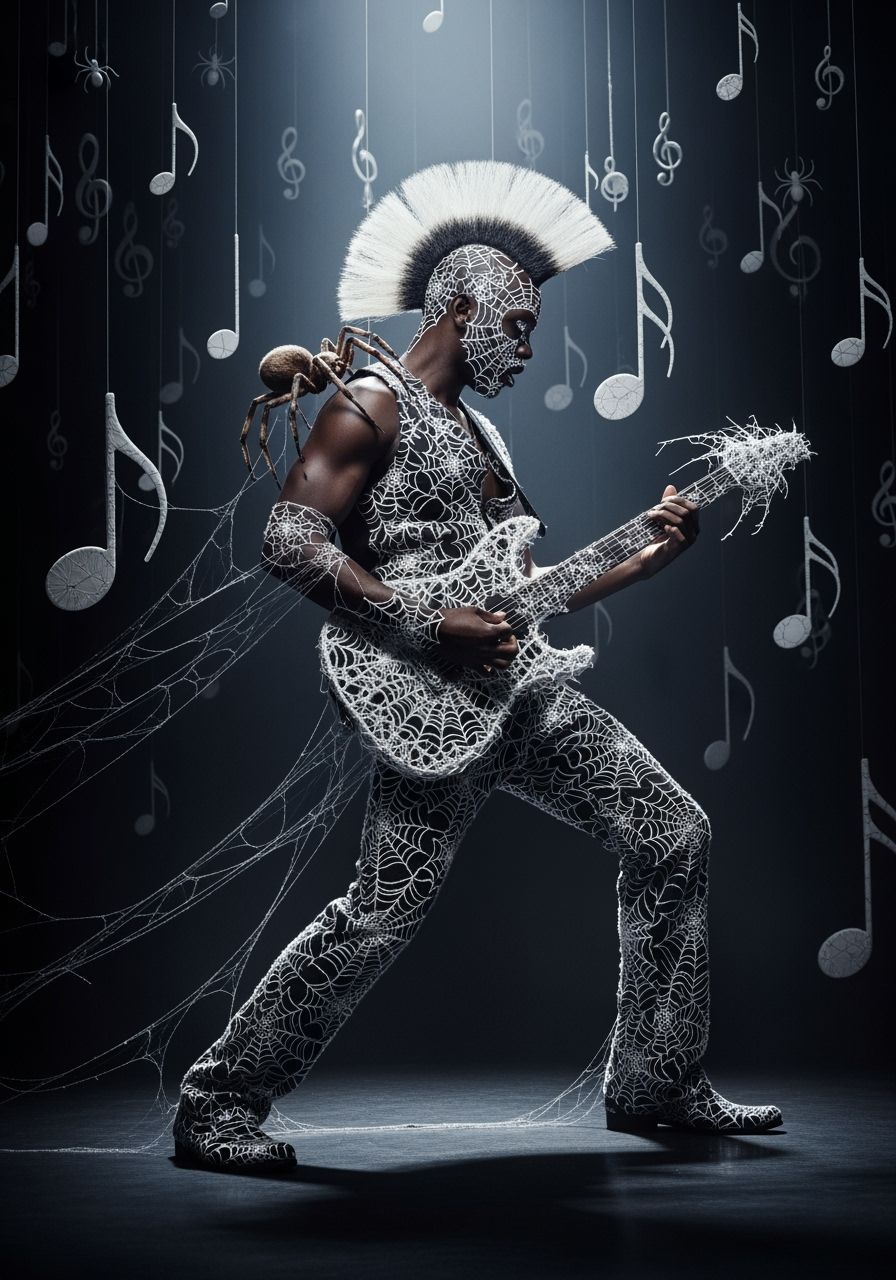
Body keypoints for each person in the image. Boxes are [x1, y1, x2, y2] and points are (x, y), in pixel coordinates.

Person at [173, 161, 782, 1173]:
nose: (527, 346)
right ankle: (215, 1101)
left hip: (517, 692)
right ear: (461, 305)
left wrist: (644, 553)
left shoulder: (483, 435)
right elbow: (288, 538)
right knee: (380, 915)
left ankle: (653, 1078)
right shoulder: (369, 399)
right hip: (424, 704)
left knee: (672, 831)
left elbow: (523, 590)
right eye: (520, 324)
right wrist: (420, 621)